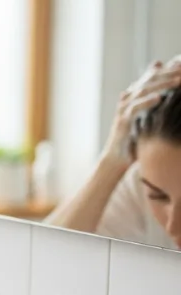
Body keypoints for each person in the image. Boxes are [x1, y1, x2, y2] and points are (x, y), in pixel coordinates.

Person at [46, 58, 181, 249]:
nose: (173, 227)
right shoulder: (140, 182)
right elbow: (46, 257)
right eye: (157, 197)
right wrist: (110, 162)